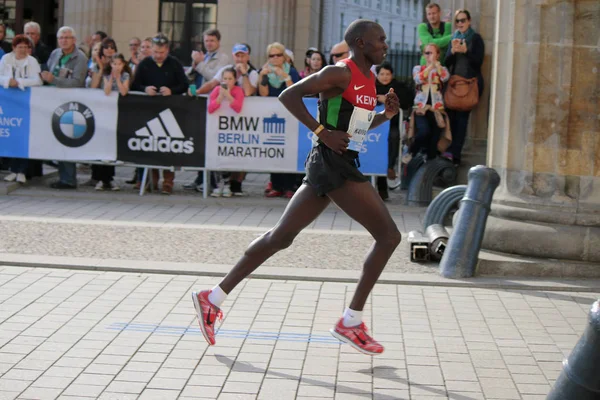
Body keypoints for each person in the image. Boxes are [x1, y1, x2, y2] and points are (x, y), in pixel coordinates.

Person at [191, 19, 401, 356]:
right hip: (333, 165)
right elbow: (289, 95)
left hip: (336, 162)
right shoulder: (339, 72)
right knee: (389, 237)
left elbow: (353, 129)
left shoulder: (368, 78)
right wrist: (321, 132)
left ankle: (212, 297)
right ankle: (351, 321)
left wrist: (384, 116)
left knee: (280, 237)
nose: (386, 45)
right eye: (381, 40)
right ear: (361, 43)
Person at [130, 33, 188, 195]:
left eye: (161, 53)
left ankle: (168, 180)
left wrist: (172, 91)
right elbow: (135, 85)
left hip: (170, 111)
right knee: (151, 145)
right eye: (155, 52)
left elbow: (184, 84)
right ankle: (152, 178)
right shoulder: (145, 64)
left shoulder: (175, 64)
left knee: (169, 146)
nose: (158, 56)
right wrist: (144, 89)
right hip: (149, 110)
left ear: (167, 50)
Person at [41, 26, 88, 190]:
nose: (63, 40)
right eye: (61, 37)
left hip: (70, 105)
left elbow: (77, 82)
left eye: (67, 37)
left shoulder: (80, 57)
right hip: (53, 102)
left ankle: (68, 179)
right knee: (54, 140)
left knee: (66, 139)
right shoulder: (55, 53)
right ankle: (63, 176)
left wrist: (53, 79)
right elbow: (48, 72)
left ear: (74, 40)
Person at [0, 35, 43, 184]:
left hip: (26, 103)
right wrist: (7, 81)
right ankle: (13, 170)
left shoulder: (32, 61)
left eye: (25, 47)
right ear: (14, 48)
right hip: (9, 103)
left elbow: (37, 80)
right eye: (20, 47)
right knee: (12, 135)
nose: (23, 50)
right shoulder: (6, 59)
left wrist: (18, 82)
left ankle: (22, 170)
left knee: (23, 135)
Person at [443, 9, 484, 164]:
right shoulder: (454, 38)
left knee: (461, 120)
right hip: (453, 84)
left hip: (468, 84)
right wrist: (452, 52)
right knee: (451, 119)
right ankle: (449, 150)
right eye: (457, 21)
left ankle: (456, 153)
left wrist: (466, 51)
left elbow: (478, 62)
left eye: (463, 20)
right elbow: (446, 63)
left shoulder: (475, 38)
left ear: (469, 21)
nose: (460, 24)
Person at [374, 62, 413, 200]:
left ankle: (390, 167)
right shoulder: (371, 86)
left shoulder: (398, 87)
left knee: (393, 137)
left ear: (392, 75)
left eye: (388, 74)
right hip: (373, 126)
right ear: (377, 75)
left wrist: (389, 100)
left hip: (392, 125)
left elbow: (407, 101)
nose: (384, 77)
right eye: (382, 74)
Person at [408, 43, 451, 160]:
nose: (428, 56)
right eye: (426, 53)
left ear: (437, 55)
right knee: (424, 131)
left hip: (437, 108)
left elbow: (445, 77)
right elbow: (418, 79)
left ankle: (429, 160)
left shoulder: (442, 69)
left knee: (434, 137)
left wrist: (436, 66)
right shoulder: (418, 68)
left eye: (431, 53)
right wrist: (430, 67)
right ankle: (412, 151)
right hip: (421, 107)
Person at [207, 67, 246, 197]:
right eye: (225, 79)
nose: (227, 81)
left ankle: (228, 184)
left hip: (233, 129)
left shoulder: (238, 90)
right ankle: (218, 184)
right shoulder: (217, 90)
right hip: (218, 128)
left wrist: (228, 95)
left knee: (229, 156)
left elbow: (238, 108)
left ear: (235, 80)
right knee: (216, 155)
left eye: (230, 79)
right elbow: (211, 108)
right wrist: (219, 97)